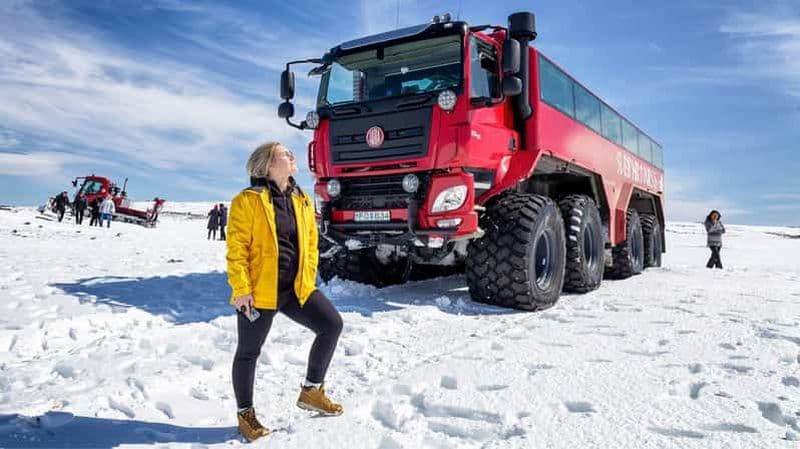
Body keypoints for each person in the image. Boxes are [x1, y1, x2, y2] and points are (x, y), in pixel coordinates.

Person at [227, 141, 343, 442]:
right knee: (249, 352)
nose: (292, 156)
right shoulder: (248, 200)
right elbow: (236, 249)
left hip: (296, 289)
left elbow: (311, 242)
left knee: (331, 325)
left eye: (290, 153)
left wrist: (309, 277)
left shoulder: (301, 197)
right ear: (267, 166)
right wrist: (241, 289)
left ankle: (312, 391)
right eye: (284, 154)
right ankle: (245, 414)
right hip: (260, 291)